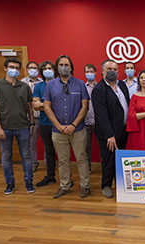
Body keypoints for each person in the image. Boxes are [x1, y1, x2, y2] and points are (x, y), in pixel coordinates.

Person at [43, 54, 91, 199]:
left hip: (78, 129)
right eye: (61, 65)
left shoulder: (80, 84)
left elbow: (85, 106)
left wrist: (73, 124)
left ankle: (85, 186)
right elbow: (46, 106)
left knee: (81, 158)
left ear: (71, 68)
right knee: (63, 160)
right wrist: (58, 125)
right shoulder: (50, 85)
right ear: (57, 67)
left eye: (67, 65)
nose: (64, 67)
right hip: (58, 131)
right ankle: (64, 185)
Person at [0, 57, 35, 194]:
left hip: (23, 127)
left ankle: (29, 182)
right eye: (11, 67)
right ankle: (9, 183)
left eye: (17, 68)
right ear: (5, 68)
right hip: (5, 128)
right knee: (6, 156)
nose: (14, 70)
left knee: (26, 155)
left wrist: (31, 123)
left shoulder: (24, 87)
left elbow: (29, 107)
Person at [92, 59, 129, 198]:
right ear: (102, 71)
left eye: (115, 69)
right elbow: (101, 115)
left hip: (124, 130)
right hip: (109, 133)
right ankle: (106, 186)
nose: (112, 72)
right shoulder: (99, 90)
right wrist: (110, 135)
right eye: (109, 69)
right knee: (109, 160)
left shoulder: (123, 85)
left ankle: (120, 184)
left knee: (121, 160)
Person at [33, 61, 58, 187]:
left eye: (50, 68)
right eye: (45, 68)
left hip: (58, 123)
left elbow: (63, 104)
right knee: (49, 151)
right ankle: (50, 176)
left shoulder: (59, 85)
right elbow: (35, 106)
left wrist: (43, 104)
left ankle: (66, 178)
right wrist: (49, 105)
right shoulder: (38, 86)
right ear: (42, 72)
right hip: (44, 123)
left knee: (63, 152)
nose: (48, 70)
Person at [21, 61, 43, 172]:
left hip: (43, 116)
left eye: (35, 68)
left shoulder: (43, 82)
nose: (33, 70)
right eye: (31, 67)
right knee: (31, 142)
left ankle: (49, 163)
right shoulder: (22, 83)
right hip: (29, 117)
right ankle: (33, 163)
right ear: (27, 69)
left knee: (48, 142)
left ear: (39, 71)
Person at [84, 64, 97, 172]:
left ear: (96, 73)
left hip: (99, 122)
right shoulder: (82, 87)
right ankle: (87, 167)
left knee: (104, 147)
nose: (89, 73)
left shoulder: (100, 86)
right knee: (86, 146)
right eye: (87, 71)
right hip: (86, 121)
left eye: (91, 71)